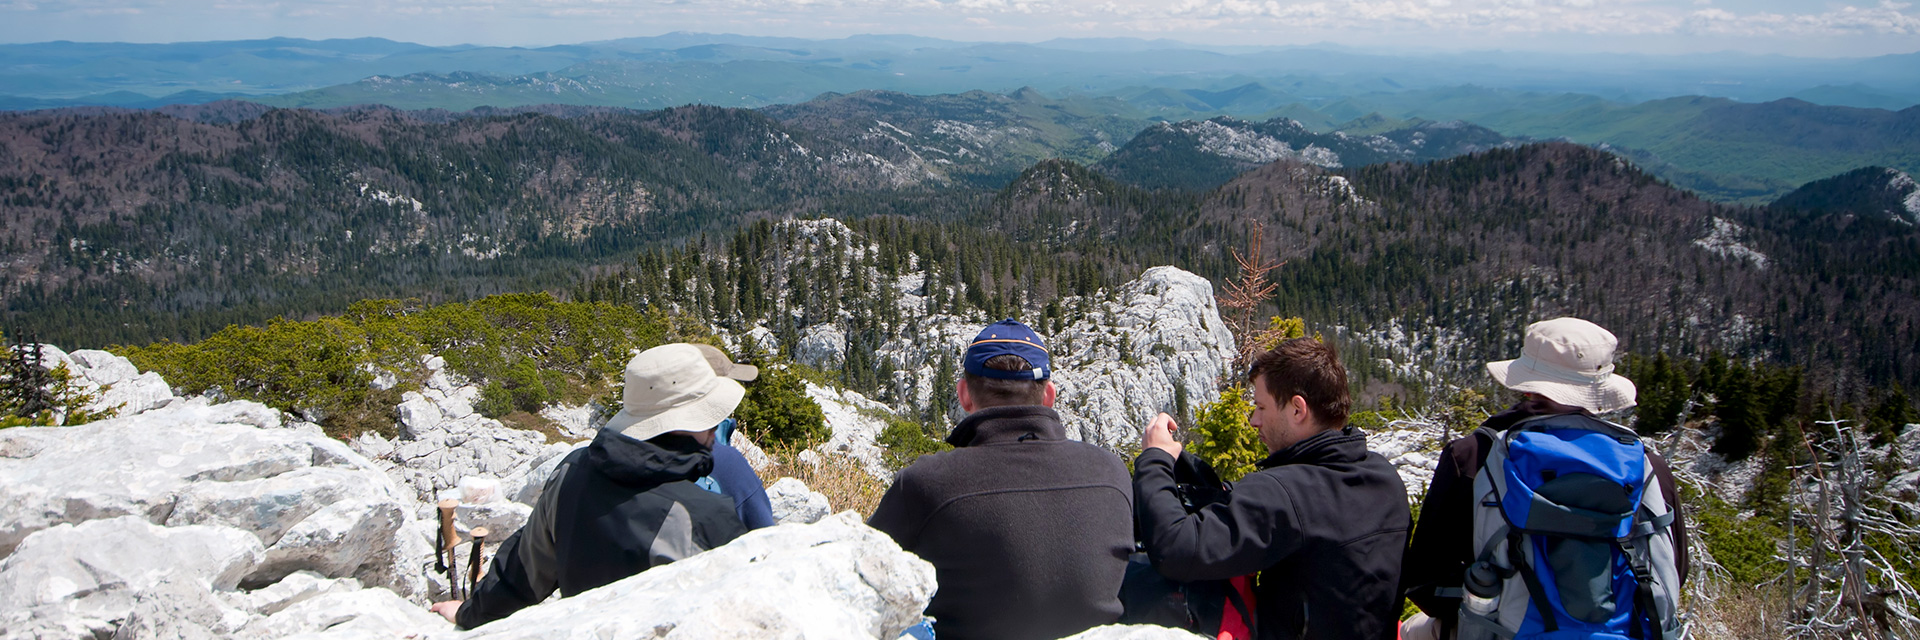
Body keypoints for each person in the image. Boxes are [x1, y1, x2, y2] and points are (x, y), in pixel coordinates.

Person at [1399, 318, 1689, 640]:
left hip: (1499, 632)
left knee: (1412, 632)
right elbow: (1675, 572)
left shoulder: (1473, 454)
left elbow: (1426, 585)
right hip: (1626, 633)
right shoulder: (1648, 467)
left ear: (1527, 386)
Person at [429, 343, 754, 629]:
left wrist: (469, 613)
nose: (715, 426)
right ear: (685, 423)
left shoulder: (570, 472)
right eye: (709, 416)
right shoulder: (704, 518)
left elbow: (521, 574)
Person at [868, 319, 1134, 640]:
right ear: (1049, 395)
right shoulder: (1111, 472)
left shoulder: (926, 482)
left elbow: (865, 570)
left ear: (964, 395)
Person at [1135, 337, 1411, 640]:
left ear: (1297, 409)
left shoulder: (1286, 492)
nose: (1254, 420)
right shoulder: (1385, 476)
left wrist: (1155, 459)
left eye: (1261, 407)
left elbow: (1175, 549)